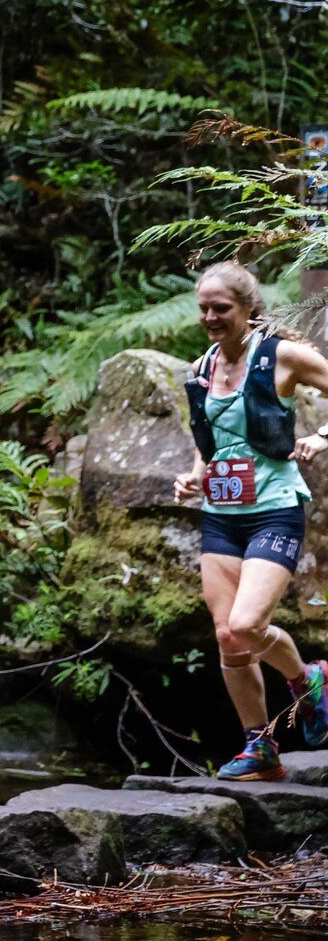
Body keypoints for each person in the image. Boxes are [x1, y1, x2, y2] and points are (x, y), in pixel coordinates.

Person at [172, 260, 328, 781]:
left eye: (222, 308)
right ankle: (260, 748)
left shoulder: (279, 356)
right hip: (221, 515)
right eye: (205, 309)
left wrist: (322, 437)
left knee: (247, 625)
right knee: (227, 637)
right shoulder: (201, 368)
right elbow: (209, 441)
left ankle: (309, 679)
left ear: (247, 308)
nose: (212, 317)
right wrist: (193, 475)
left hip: (274, 510)